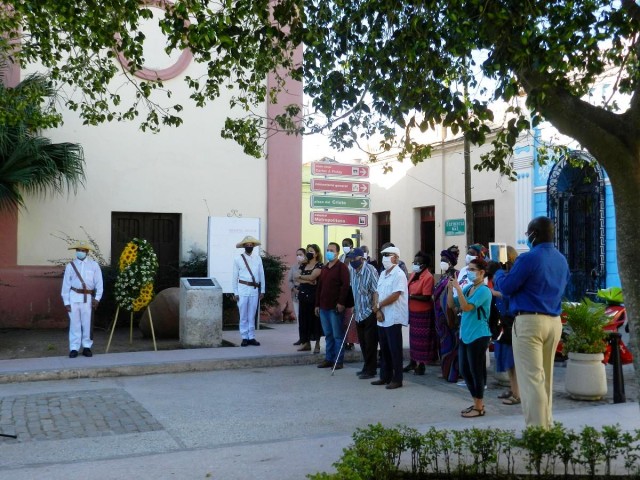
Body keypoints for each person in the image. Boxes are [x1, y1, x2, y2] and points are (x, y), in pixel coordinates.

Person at [493, 217, 570, 428]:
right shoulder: (561, 259)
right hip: (553, 321)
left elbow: (506, 287)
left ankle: (537, 432)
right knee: (545, 377)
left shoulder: (528, 258)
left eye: (528, 234)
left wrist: (498, 272)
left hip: (529, 322)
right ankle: (547, 425)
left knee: (531, 380)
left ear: (534, 234)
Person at [447, 258, 492, 418]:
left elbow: (466, 307)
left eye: (472, 269)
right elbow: (452, 305)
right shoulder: (469, 288)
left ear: (481, 272)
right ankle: (476, 403)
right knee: (465, 370)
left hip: (479, 335)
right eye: (469, 269)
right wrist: (450, 289)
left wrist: (458, 289)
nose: (469, 272)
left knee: (476, 371)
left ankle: (479, 406)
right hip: (465, 334)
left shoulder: (484, 291)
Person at [371, 246, 408, 389]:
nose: (385, 258)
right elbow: (377, 292)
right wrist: (377, 309)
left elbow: (395, 295)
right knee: (384, 349)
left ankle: (397, 379)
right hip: (382, 317)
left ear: (396, 258)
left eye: (388, 255)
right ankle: (384, 376)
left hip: (393, 317)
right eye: (383, 255)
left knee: (395, 349)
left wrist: (378, 305)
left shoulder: (399, 274)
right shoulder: (383, 273)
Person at [488, 246, 520, 406]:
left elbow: (509, 294)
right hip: (502, 320)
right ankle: (513, 389)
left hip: (511, 320)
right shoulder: (501, 274)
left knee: (512, 360)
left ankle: (517, 393)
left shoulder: (510, 275)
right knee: (506, 359)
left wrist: (495, 293)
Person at [61, 241, 103, 358]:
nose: (80, 252)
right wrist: (66, 302)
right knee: (74, 323)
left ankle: (86, 347)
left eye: (83, 250)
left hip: (88, 298)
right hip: (74, 296)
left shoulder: (94, 265)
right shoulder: (70, 266)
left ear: (87, 252)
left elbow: (99, 283)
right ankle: (74, 348)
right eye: (78, 250)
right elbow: (66, 285)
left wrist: (97, 298)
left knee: (87, 323)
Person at [315, 242, 350, 369]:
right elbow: (320, 287)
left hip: (335, 307)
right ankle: (329, 359)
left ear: (337, 252)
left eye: (331, 250)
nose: (329, 252)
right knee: (328, 335)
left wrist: (341, 303)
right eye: (327, 250)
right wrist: (317, 304)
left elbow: (345, 286)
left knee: (337, 335)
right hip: (323, 307)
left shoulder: (342, 267)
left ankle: (338, 361)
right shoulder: (325, 268)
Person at [347, 247, 379, 379]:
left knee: (370, 343)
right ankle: (366, 366)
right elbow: (353, 289)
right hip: (359, 312)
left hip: (369, 311)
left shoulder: (370, 270)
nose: (352, 261)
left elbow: (376, 290)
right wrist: (354, 305)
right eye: (350, 258)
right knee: (363, 342)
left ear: (361, 258)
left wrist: (375, 307)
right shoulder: (352, 270)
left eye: (354, 258)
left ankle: (371, 370)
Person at [403, 252, 436, 375]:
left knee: (422, 341)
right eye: (414, 262)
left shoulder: (428, 277)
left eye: (418, 263)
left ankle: (421, 365)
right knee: (413, 339)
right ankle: (412, 362)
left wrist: (411, 296)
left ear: (424, 265)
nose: (415, 264)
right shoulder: (413, 274)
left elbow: (426, 297)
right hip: (413, 311)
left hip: (423, 313)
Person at [434, 246, 461, 382]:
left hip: (449, 315)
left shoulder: (456, 275)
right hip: (439, 316)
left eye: (444, 260)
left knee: (452, 345)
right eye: (441, 259)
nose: (442, 262)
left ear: (451, 262)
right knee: (443, 345)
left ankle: (452, 374)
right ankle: (445, 371)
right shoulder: (443, 276)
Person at [232, 235, 265, 347]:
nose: (249, 246)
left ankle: (251, 337)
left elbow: (261, 274)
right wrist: (235, 292)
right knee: (243, 315)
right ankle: (244, 337)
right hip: (242, 288)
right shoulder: (238, 259)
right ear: (244, 246)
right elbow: (234, 277)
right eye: (247, 245)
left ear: (253, 246)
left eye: (251, 245)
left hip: (254, 289)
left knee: (252, 315)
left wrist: (262, 290)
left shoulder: (258, 258)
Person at [297, 244, 324, 353]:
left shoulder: (319, 265)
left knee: (315, 320)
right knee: (303, 320)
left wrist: (303, 278)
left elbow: (313, 276)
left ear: (316, 253)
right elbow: (296, 277)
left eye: (311, 251)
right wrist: (308, 281)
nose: (309, 253)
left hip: (314, 296)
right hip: (303, 295)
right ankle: (305, 343)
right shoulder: (303, 265)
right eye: (308, 251)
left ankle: (317, 344)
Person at [340, 238, 358, 350]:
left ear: (351, 245)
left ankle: (351, 341)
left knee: (350, 317)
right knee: (343, 317)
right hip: (343, 288)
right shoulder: (341, 257)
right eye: (343, 244)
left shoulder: (354, 257)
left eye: (346, 244)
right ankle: (344, 341)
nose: (344, 246)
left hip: (352, 289)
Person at [289, 248, 306, 346]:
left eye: (300, 254)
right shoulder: (294, 267)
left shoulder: (307, 266)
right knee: (298, 316)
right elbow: (290, 280)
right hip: (296, 294)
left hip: (305, 293)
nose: (298, 256)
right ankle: (301, 337)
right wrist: (293, 289)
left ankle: (307, 338)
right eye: (297, 255)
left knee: (305, 316)